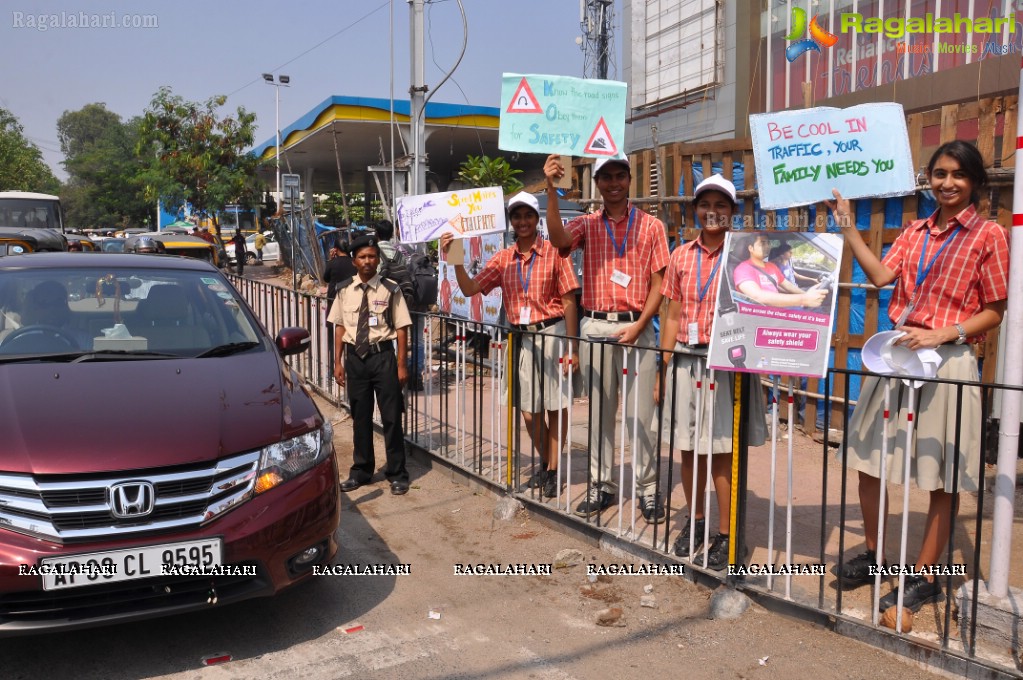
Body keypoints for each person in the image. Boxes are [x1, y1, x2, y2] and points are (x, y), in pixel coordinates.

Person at [826, 140, 1009, 612]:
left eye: (958, 175)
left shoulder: (989, 235)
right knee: (867, 459)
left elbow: (994, 312)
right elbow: (883, 278)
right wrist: (848, 228)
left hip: (948, 359)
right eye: (940, 173)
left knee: (940, 474)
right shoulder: (914, 231)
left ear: (974, 182)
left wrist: (942, 334)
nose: (947, 183)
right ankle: (876, 554)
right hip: (895, 355)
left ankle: (926, 575)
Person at [544, 153, 670, 523]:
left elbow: (660, 283)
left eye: (619, 176)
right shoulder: (586, 224)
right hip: (596, 326)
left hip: (637, 326)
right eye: (605, 177)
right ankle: (602, 484)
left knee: (642, 416)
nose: (613, 183)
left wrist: (639, 324)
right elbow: (559, 240)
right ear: (596, 183)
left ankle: (648, 488)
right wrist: (551, 189)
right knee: (600, 412)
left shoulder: (652, 226)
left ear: (629, 179)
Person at [656, 174, 767, 569]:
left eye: (722, 206)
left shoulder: (745, 256)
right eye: (705, 204)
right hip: (686, 358)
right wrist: (663, 367)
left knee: (723, 450)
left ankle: (727, 532)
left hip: (727, 364)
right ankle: (697, 521)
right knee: (688, 447)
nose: (712, 212)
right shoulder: (680, 255)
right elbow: (671, 315)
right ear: (694, 210)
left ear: (733, 213)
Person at [440, 191, 580, 498]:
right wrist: (455, 256)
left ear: (536, 218)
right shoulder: (503, 258)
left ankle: (553, 469)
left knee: (555, 406)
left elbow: (569, 299)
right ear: (511, 221)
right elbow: (469, 288)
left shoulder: (556, 253)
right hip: (521, 337)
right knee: (529, 410)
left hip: (553, 333)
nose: (523, 221)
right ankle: (547, 462)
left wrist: (572, 346)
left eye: (528, 215)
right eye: (517, 216)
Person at [330, 235, 412, 496]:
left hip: (383, 357)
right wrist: (338, 362)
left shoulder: (391, 288)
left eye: (372, 256)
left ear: (378, 259)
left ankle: (397, 473)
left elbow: (401, 329)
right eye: (363, 257)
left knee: (391, 418)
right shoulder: (343, 290)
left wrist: (401, 365)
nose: (368, 261)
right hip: (356, 360)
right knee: (360, 417)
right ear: (354, 261)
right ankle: (362, 471)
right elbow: (340, 326)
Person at [732, 233, 827, 308]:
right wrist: (803, 299)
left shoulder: (771, 266)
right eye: (762, 243)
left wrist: (808, 295)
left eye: (768, 243)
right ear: (751, 248)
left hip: (780, 308)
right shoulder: (743, 269)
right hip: (764, 315)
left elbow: (788, 286)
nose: (767, 246)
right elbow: (757, 297)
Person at [323, 237, 357, 374]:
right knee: (350, 336)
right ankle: (351, 368)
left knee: (333, 337)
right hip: (351, 303)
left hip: (334, 303)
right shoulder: (354, 263)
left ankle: (334, 368)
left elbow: (325, 278)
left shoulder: (333, 263)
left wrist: (331, 260)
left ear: (335, 249)